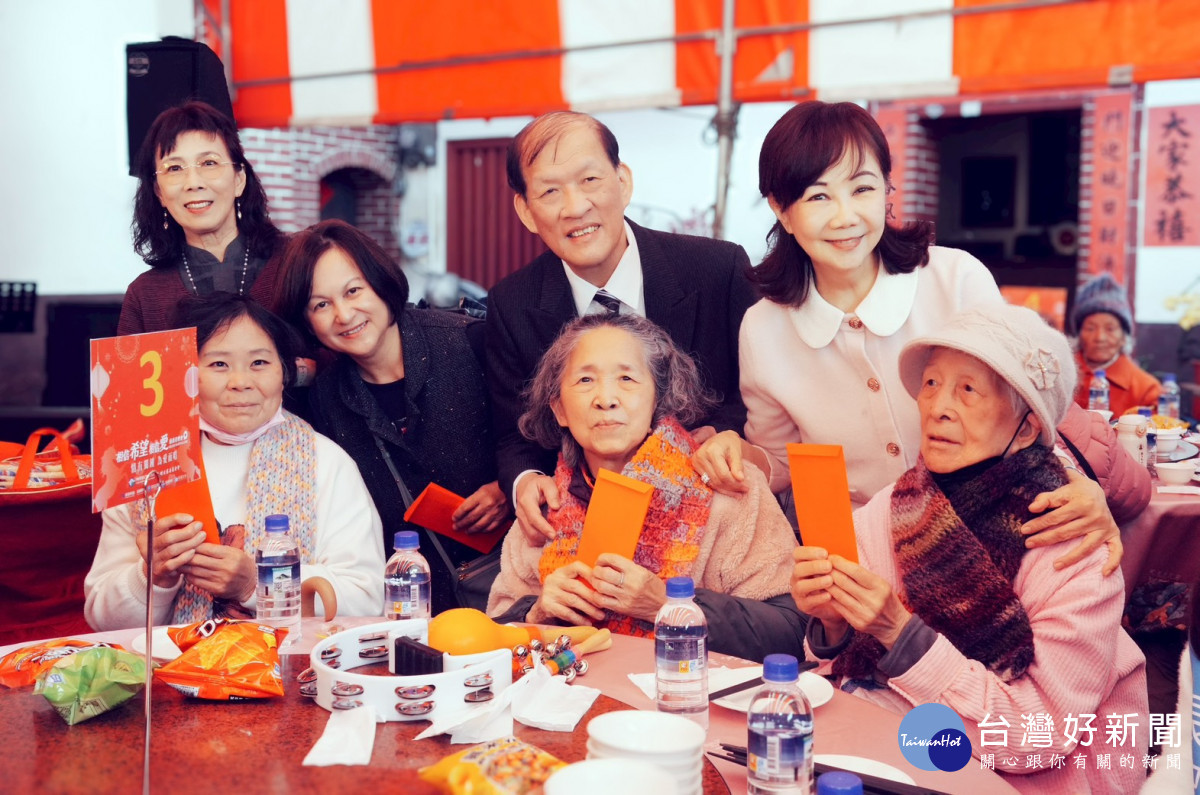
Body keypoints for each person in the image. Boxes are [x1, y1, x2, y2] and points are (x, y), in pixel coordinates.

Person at [692, 100, 1125, 572]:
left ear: (886, 190)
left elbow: (1025, 406)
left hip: (989, 540)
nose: (845, 217)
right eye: (818, 197)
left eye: (862, 189)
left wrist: (1079, 484)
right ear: (782, 209)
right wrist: (738, 453)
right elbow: (782, 460)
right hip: (862, 560)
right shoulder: (763, 328)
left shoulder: (956, 280)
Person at [791, 304, 1146, 794]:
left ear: (1026, 428)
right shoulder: (889, 508)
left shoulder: (1073, 544)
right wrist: (831, 626)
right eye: (931, 383)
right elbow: (836, 675)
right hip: (885, 754)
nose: (937, 407)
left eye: (968, 390)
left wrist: (902, 635)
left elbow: (1038, 735)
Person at [488, 110, 759, 543]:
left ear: (623, 181)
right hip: (588, 528)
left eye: (590, 180)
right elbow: (513, 433)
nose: (576, 207)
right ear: (526, 210)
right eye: (550, 191)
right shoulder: (512, 304)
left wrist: (725, 432)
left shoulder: (717, 269)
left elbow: (760, 396)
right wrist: (526, 479)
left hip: (717, 519)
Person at [487, 314, 804, 661]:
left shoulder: (726, 487)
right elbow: (491, 637)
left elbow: (791, 630)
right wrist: (536, 613)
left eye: (626, 378)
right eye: (585, 380)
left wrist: (667, 605)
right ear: (559, 409)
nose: (606, 399)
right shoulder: (543, 509)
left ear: (657, 399)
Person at [85, 293, 384, 629]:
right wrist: (153, 577)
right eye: (219, 365)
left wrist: (257, 584)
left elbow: (368, 599)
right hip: (173, 661)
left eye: (259, 363)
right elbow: (101, 618)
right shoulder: (146, 466)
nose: (241, 383)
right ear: (185, 375)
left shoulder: (327, 463)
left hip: (286, 662)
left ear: (284, 372)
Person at [274, 220, 508, 615]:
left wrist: (508, 486)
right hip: (405, 610)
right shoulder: (324, 399)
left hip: (510, 593)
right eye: (320, 305)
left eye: (353, 291)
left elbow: (538, 437)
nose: (344, 314)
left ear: (381, 283)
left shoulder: (469, 342)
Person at [119, 101, 286, 335]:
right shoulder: (144, 296)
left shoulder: (296, 262)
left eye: (209, 163)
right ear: (159, 192)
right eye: (174, 168)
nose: (193, 183)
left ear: (239, 179)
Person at [1070, 273, 1162, 416]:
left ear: (1124, 337)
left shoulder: (1146, 389)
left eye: (1110, 329)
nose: (1100, 338)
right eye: (1090, 328)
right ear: (1079, 334)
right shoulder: (1059, 375)